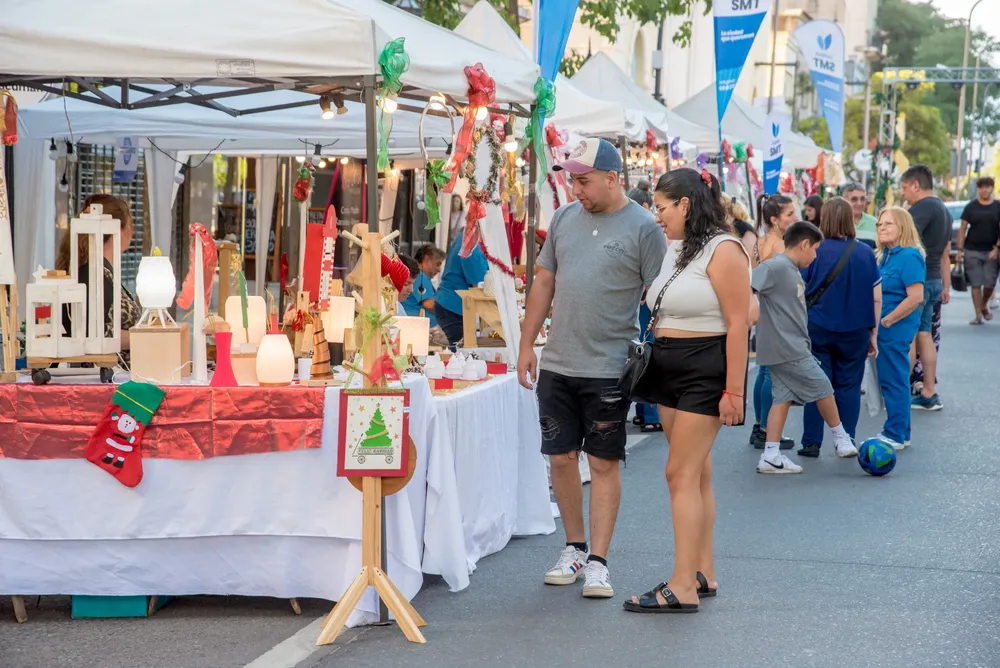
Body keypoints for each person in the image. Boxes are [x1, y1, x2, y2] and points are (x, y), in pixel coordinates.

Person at [517, 137, 666, 600]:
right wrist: (526, 344)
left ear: (612, 178)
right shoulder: (563, 218)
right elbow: (544, 281)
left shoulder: (645, 228)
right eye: (571, 180)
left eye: (582, 181)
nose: (575, 189)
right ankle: (574, 548)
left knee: (602, 462)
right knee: (559, 457)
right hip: (559, 361)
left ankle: (599, 561)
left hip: (608, 366)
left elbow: (661, 295)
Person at [621, 167, 750, 613]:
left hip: (703, 369)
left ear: (685, 205)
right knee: (695, 473)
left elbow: (739, 322)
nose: (656, 216)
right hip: (668, 367)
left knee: (678, 474)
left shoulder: (725, 249)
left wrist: (735, 392)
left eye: (661, 207)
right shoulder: (677, 248)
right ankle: (703, 571)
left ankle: (682, 585)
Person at [797, 198, 882, 458]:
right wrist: (874, 333)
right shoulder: (865, 251)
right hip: (856, 328)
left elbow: (800, 291)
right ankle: (846, 438)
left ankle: (811, 442)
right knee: (848, 384)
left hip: (818, 326)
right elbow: (876, 296)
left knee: (816, 383)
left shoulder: (814, 250)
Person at [55, 193, 140, 367]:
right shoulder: (93, 276)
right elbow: (91, 334)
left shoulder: (101, 273)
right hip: (104, 380)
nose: (133, 232)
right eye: (131, 225)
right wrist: (145, 336)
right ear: (119, 230)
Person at [748, 194, 797, 452]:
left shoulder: (759, 242)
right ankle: (767, 429)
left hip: (763, 305)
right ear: (774, 219)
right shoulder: (778, 245)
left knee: (764, 369)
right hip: (776, 308)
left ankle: (759, 425)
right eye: (790, 214)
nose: (795, 218)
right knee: (771, 371)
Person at [899, 165, 950, 412]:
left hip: (916, 279)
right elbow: (945, 252)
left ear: (916, 185)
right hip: (933, 278)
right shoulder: (942, 208)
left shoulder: (921, 209)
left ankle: (901, 392)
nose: (904, 193)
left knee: (908, 337)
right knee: (925, 335)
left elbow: (902, 240)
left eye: (905, 187)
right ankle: (929, 391)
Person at [874, 207, 926, 450]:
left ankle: (894, 433)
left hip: (894, 326)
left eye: (888, 224)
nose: (882, 227)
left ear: (903, 227)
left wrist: (887, 320)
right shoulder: (885, 255)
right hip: (885, 325)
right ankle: (901, 433)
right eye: (880, 224)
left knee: (893, 378)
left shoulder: (909, 255)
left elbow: (916, 297)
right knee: (891, 378)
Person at [627, 187, 660, 431]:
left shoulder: (630, 227)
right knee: (648, 353)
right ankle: (650, 414)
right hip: (646, 299)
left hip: (636, 299)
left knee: (638, 352)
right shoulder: (651, 228)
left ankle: (641, 411)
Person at [434, 229, 488, 349]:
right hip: (453, 307)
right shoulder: (473, 245)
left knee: (462, 353)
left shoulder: (468, 235)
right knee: (463, 356)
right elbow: (480, 285)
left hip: (451, 303)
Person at [957, 177, 1000, 324]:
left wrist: (998, 248)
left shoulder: (997, 206)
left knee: (989, 283)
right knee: (976, 283)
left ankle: (983, 305)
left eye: (987, 187)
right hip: (972, 249)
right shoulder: (971, 207)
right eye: (982, 187)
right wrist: (959, 250)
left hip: (992, 250)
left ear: (992, 188)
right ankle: (978, 315)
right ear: (978, 189)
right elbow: (963, 228)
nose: (984, 190)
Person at [843, 183, 878, 248]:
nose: (859, 203)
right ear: (845, 200)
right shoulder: (838, 222)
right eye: (854, 199)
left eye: (862, 199)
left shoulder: (875, 223)